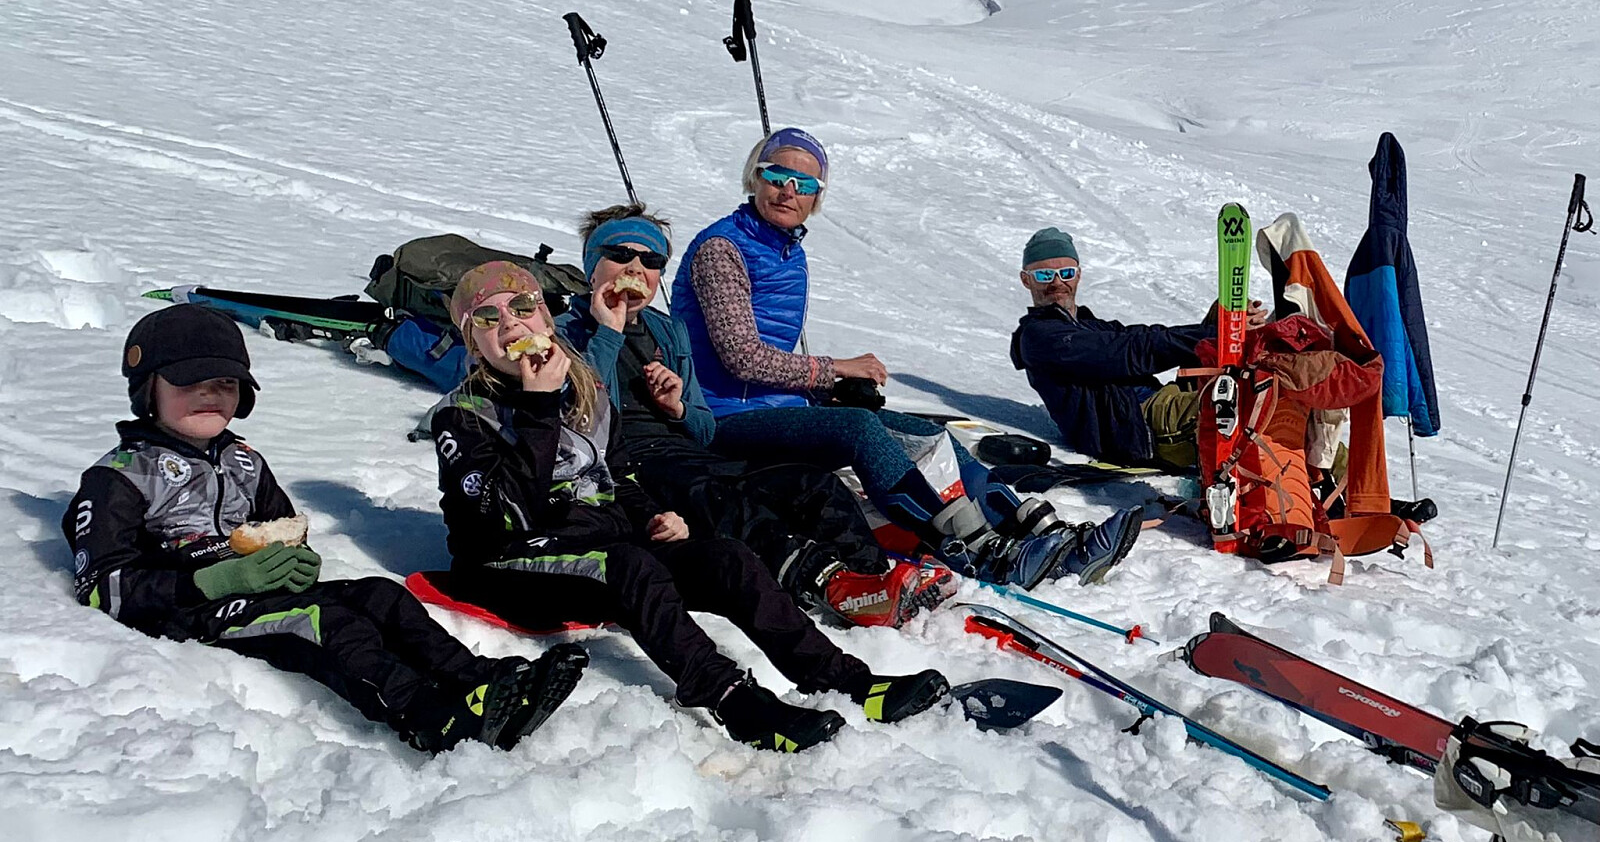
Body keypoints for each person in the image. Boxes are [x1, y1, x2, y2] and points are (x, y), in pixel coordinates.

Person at [428, 262, 950, 753]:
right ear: (472, 343)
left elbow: (618, 475)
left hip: (598, 544)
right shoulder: (462, 415)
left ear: (545, 316)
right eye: (488, 318)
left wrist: (651, 514)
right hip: (509, 559)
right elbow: (508, 516)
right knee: (631, 566)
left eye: (522, 307)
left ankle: (847, 681)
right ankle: (736, 703)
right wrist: (538, 407)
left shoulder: (585, 389)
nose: (510, 324)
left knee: (727, 558)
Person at [62, 304, 586, 755]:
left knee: (380, 595)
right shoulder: (119, 477)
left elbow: (283, 530)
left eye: (224, 383)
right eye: (188, 383)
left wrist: (296, 560)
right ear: (147, 389)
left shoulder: (245, 461)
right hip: (191, 612)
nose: (210, 395)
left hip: (260, 595)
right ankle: (430, 715)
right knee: (322, 620)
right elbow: (103, 588)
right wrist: (213, 581)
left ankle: (482, 681)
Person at [671, 127, 1143, 589]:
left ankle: (1037, 531)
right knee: (859, 429)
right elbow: (742, 359)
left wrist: (825, 387)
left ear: (817, 196)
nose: (788, 191)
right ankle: (976, 549)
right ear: (754, 177)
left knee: (927, 435)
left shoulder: (785, 251)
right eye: (777, 176)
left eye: (805, 183)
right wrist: (835, 370)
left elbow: (765, 360)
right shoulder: (722, 249)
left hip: (775, 407)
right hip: (722, 416)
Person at [555, 203, 956, 628]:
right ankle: (830, 585)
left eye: (651, 260)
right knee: (723, 501)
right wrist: (609, 333)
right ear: (592, 265)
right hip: (628, 466)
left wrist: (678, 408)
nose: (636, 269)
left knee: (810, 483)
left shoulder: (666, 331)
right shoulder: (563, 332)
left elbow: (704, 429)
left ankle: (873, 581)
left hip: (689, 453)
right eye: (620, 255)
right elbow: (576, 420)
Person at [1009, 226, 1267, 470]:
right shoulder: (1040, 337)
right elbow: (1128, 352)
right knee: (1251, 399)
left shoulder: (1088, 325)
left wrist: (1227, 327)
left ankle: (1267, 352)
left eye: (1066, 273)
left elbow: (1144, 336)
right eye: (1044, 276)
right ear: (1026, 280)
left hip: (1160, 401)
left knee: (1227, 308)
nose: (1057, 283)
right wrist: (1223, 334)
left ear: (1078, 275)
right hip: (1140, 427)